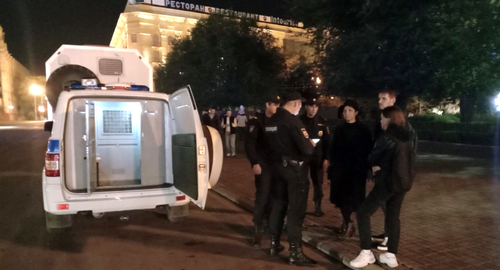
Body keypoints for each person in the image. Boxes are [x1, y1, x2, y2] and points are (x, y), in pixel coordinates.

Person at [350, 106, 415, 268]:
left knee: (363, 213)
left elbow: (373, 157)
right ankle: (391, 255)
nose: (380, 121)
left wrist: (376, 165)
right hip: (403, 182)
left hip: (387, 182)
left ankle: (366, 252)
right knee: (393, 217)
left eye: (382, 118)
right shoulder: (408, 137)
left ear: (389, 119)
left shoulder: (387, 137)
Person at [265, 91, 317, 267]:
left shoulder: (271, 121)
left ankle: (274, 244)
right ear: (296, 103)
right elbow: (307, 149)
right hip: (295, 171)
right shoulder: (292, 121)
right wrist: (311, 143)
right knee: (296, 211)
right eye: (300, 105)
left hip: (277, 169)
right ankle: (295, 252)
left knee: (278, 206)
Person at [371, 89, 418, 250]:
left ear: (393, 100)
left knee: (389, 208)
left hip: (393, 174)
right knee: (386, 206)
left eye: (383, 98)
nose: (380, 102)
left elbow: (408, 152)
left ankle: (389, 239)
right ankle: (387, 234)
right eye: (379, 98)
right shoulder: (382, 122)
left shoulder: (401, 125)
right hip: (384, 172)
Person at [327, 99, 373, 238]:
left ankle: (350, 223)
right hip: (340, 169)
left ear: (356, 112)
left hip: (356, 170)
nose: (346, 113)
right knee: (341, 198)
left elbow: (368, 150)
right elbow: (333, 148)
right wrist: (332, 164)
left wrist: (368, 167)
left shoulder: (363, 130)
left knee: (353, 199)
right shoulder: (339, 129)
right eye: (344, 111)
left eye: (350, 111)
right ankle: (346, 222)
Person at [244, 95, 281, 246]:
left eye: (279, 105)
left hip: (277, 165)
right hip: (263, 165)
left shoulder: (280, 121)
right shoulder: (257, 121)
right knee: (262, 196)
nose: (277, 107)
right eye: (275, 105)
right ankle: (258, 226)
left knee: (274, 196)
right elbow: (250, 144)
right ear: (268, 104)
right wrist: (255, 163)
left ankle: (268, 222)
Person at [299, 97, 330, 217]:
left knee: (318, 183)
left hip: (317, 157)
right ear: (306, 107)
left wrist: (326, 158)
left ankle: (318, 206)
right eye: (311, 106)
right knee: (301, 182)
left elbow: (327, 142)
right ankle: (300, 206)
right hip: (303, 156)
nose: (313, 109)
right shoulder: (300, 120)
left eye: (316, 106)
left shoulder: (322, 121)